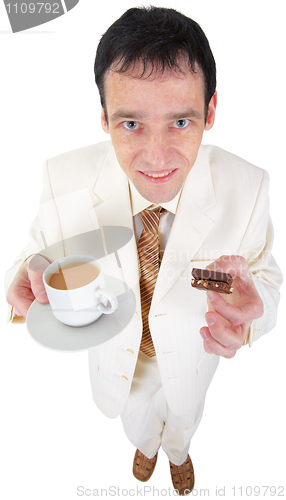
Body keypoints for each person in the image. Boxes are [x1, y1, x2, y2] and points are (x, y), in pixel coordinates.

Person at [5, 6, 282, 496]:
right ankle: (145, 447)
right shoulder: (62, 176)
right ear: (105, 118)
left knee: (185, 418)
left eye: (180, 121)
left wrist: (255, 313)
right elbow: (40, 245)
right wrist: (27, 269)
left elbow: (263, 276)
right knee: (135, 419)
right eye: (130, 124)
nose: (156, 158)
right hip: (116, 360)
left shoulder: (250, 186)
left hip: (194, 358)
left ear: (211, 112)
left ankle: (177, 452)